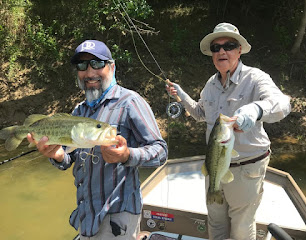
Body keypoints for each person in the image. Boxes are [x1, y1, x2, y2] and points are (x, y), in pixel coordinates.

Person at [27, 40, 168, 239]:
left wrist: (127, 155)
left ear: (112, 66)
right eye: (82, 66)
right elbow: (70, 157)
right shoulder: (79, 110)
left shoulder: (130, 102)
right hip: (86, 218)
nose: (90, 72)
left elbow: (161, 151)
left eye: (97, 63)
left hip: (117, 219)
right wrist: (58, 156)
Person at [166, 23, 291, 240]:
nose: (222, 51)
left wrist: (255, 110)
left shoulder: (255, 78)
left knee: (242, 227)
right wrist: (182, 95)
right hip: (215, 165)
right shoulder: (211, 84)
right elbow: (200, 113)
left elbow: (282, 104)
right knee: (215, 222)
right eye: (216, 48)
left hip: (247, 166)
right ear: (212, 54)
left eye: (229, 45)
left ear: (239, 50)